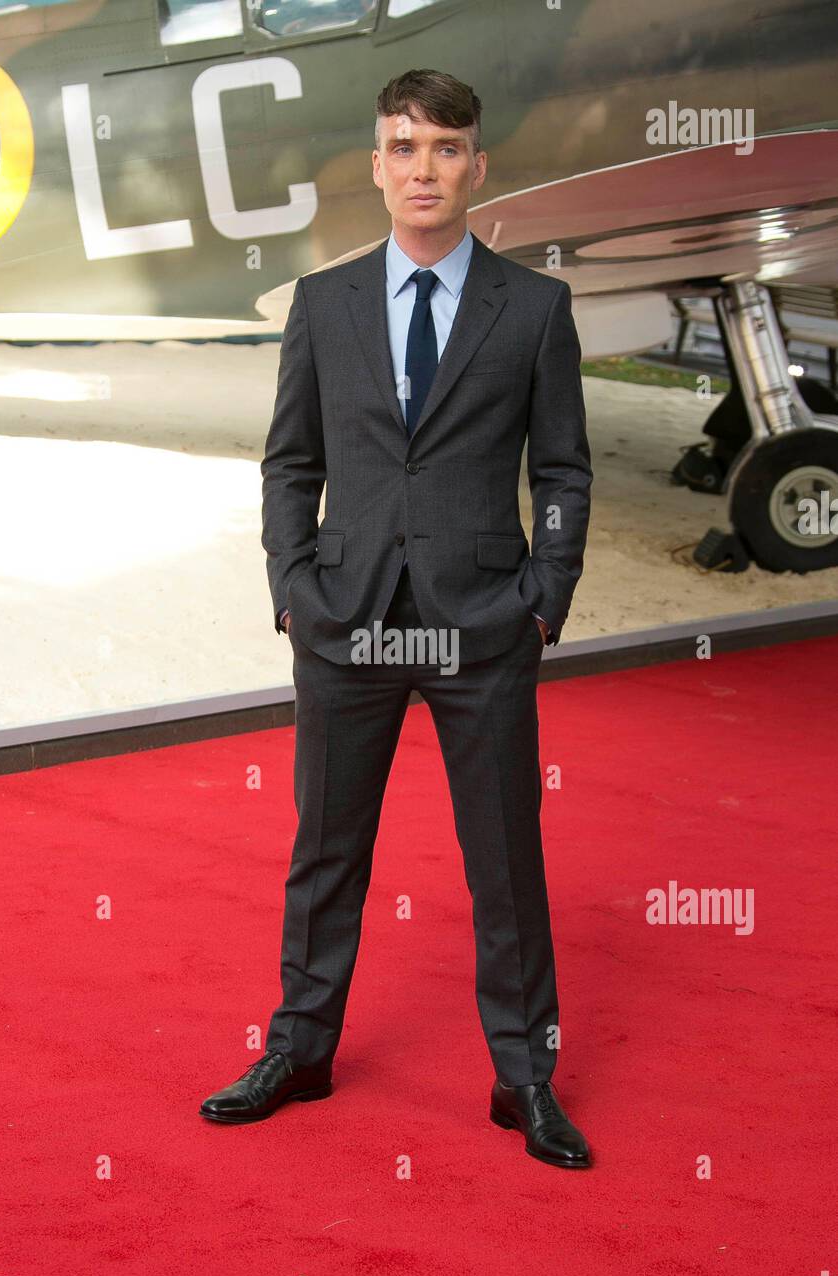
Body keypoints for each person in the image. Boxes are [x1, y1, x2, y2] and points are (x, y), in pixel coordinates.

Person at [200, 69, 593, 1168]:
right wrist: (294, 590)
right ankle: (300, 1048)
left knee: (503, 860)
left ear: (478, 164)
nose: (424, 168)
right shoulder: (320, 306)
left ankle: (524, 1077)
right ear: (375, 165)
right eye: (403, 147)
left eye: (446, 148)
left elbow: (562, 468)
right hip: (348, 623)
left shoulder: (534, 308)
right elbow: (291, 464)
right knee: (325, 851)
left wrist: (542, 603)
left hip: (483, 627)